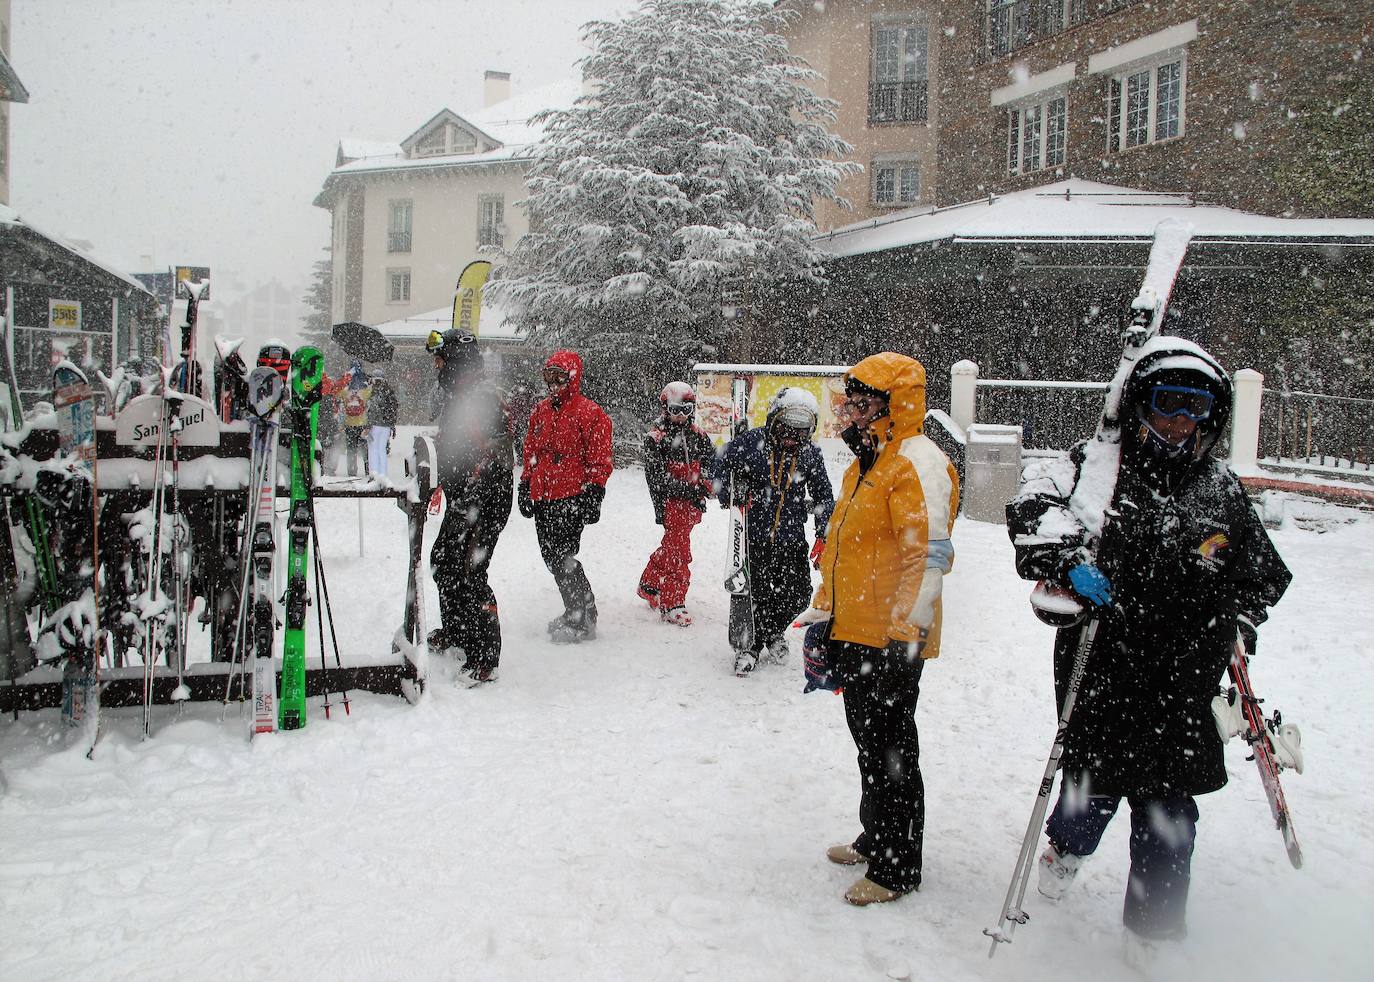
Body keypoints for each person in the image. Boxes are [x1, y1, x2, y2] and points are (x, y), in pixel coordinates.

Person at [1006, 337, 1291, 957]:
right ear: (1139, 405)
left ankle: (1155, 932)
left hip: (1183, 685)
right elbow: (1032, 511)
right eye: (1168, 404)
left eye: (1197, 410)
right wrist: (1065, 558)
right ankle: (1068, 847)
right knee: (1089, 789)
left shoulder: (1220, 492)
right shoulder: (1094, 469)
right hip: (1105, 670)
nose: (1181, 422)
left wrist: (1240, 620)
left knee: (1170, 815)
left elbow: (1264, 575)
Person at [808, 353, 958, 906]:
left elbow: (930, 557)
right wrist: (826, 612)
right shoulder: (867, 461)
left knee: (893, 750)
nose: (852, 412)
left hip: (893, 638)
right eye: (850, 401)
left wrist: (904, 634)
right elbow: (846, 548)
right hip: (856, 629)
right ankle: (877, 836)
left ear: (896, 405)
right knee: (870, 744)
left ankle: (898, 866)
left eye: (864, 402)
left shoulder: (916, 461)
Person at [712, 386, 833, 675]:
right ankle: (749, 646)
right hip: (753, 537)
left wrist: (823, 530)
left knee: (798, 594)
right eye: (786, 430)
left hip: (791, 538)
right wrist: (731, 490)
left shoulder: (810, 455)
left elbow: (824, 495)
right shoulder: (751, 443)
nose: (792, 438)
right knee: (756, 595)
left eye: (800, 433)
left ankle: (769, 633)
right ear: (774, 421)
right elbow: (718, 466)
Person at [424, 328, 513, 683]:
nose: (436, 366)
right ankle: (458, 632)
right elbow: (457, 446)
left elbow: (492, 457)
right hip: (465, 498)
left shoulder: (484, 399)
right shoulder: (460, 397)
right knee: (444, 562)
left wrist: (470, 502)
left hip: (484, 500)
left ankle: (485, 658)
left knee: (471, 572)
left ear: (456, 362)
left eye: (441, 359)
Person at [518, 350, 613, 644]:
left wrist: (594, 491)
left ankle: (580, 615)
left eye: (560, 378)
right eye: (550, 378)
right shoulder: (541, 411)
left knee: (563, 557)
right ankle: (581, 607)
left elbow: (600, 458)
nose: (554, 385)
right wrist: (525, 484)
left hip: (571, 495)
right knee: (551, 557)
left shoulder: (590, 413)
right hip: (544, 494)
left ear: (572, 378)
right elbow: (531, 450)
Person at [637, 381, 715, 626]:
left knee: (672, 547)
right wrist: (689, 490)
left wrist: (707, 485)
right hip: (671, 502)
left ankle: (649, 585)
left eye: (687, 409)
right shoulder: (656, 437)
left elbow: (713, 463)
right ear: (665, 408)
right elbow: (657, 479)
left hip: (691, 503)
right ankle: (672, 602)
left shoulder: (698, 435)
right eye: (675, 410)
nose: (681, 416)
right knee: (680, 554)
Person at [366, 368, 399, 485]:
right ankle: (383, 475)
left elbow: (372, 410)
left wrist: (367, 426)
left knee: (373, 450)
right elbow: (394, 408)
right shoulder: (389, 392)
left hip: (374, 425)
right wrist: (392, 425)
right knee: (382, 451)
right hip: (386, 426)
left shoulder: (374, 392)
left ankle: (374, 475)